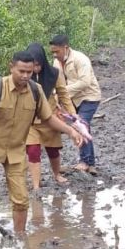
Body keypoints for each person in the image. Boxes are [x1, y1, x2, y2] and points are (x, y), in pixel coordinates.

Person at [0, 51, 84, 233]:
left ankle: (20, 239)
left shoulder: (35, 91)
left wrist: (70, 130)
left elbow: (48, 118)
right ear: (11, 67)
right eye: (21, 71)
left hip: (16, 151)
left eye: (29, 72)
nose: (25, 76)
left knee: (21, 199)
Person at [25, 43, 78, 190]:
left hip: (50, 119)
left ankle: (57, 174)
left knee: (53, 150)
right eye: (32, 65)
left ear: (42, 62)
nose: (34, 69)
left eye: (37, 65)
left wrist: (73, 115)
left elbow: (63, 94)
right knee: (33, 150)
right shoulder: (24, 75)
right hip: (30, 121)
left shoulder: (54, 73)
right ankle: (36, 184)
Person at [49, 34, 102, 175]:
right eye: (52, 52)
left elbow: (85, 82)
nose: (54, 55)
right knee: (79, 125)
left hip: (89, 96)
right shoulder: (56, 62)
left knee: (82, 124)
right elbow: (58, 83)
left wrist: (62, 92)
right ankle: (90, 163)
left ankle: (85, 161)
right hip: (72, 98)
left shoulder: (81, 59)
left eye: (57, 52)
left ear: (65, 48)